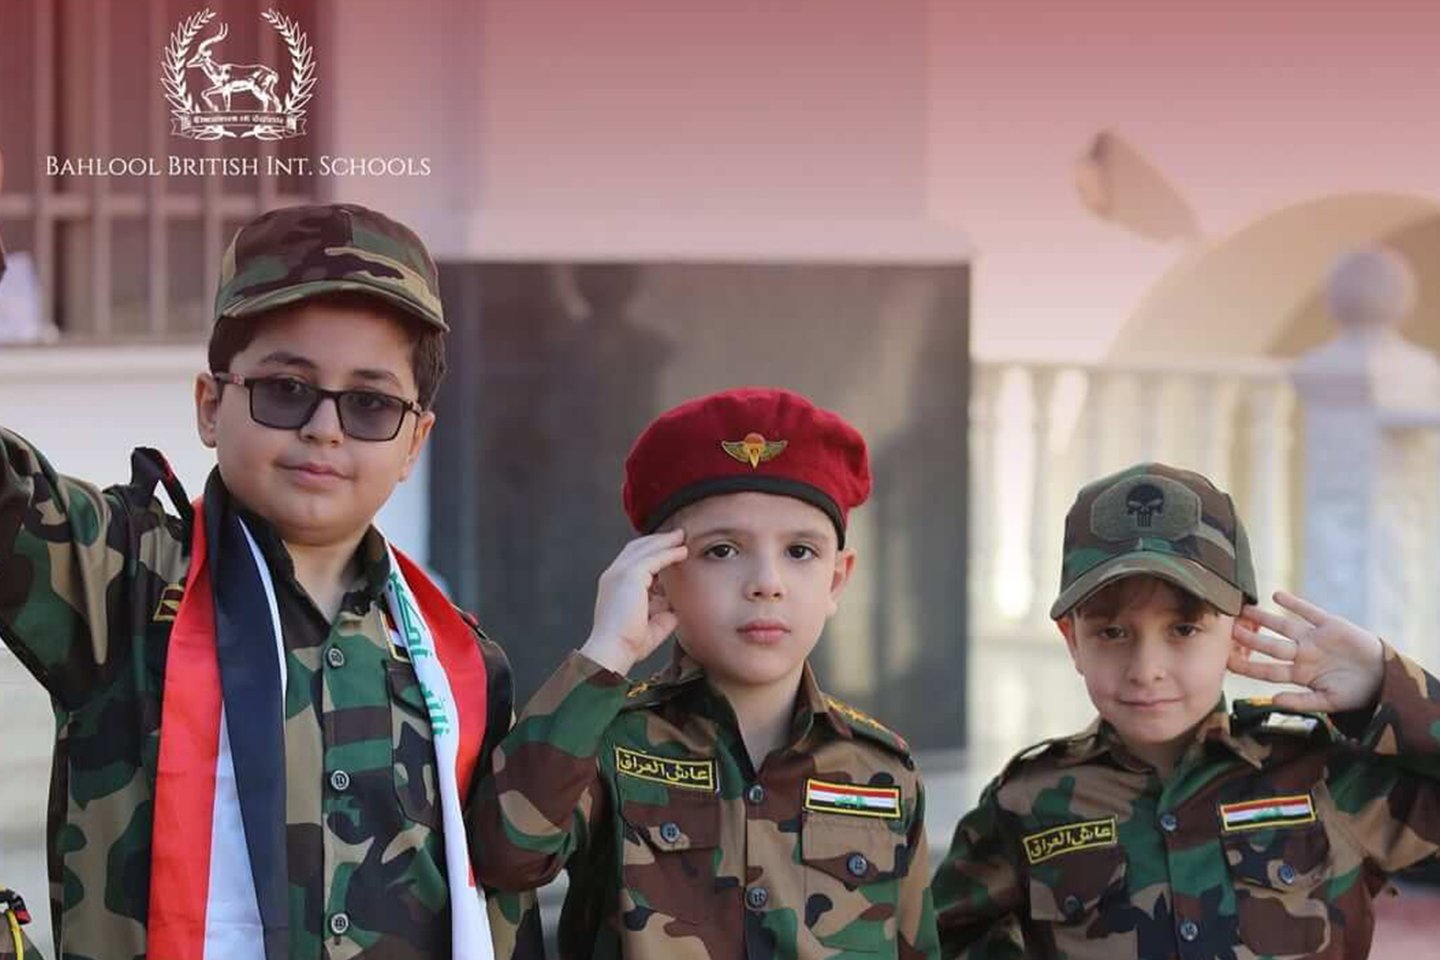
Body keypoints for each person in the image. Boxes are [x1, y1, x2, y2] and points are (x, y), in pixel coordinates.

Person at [0, 195, 542, 960]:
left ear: (415, 441)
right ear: (210, 406)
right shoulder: (117, 578)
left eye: (369, 404)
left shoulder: (463, 668)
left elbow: (497, 913)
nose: (324, 428)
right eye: (287, 389)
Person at [469, 386, 940, 958]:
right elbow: (504, 855)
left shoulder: (882, 772)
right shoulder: (604, 744)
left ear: (837, 579)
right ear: (659, 576)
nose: (766, 583)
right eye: (722, 550)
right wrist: (607, 651)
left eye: (800, 552)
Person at [932, 461, 1440, 959]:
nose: (1146, 669)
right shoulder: (1024, 804)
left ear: (1239, 631)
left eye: (1184, 629)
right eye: (1112, 632)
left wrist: (1384, 683)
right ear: (1073, 641)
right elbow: (943, 940)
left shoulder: (1324, 777)